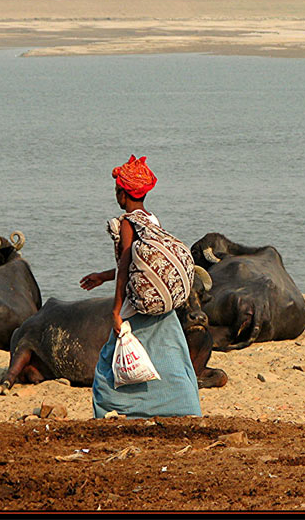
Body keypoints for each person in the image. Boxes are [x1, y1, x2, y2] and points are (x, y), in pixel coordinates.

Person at [80, 155, 201, 419]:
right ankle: (186, 409)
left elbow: (126, 265)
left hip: (135, 310)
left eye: (117, 191)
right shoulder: (152, 220)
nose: (116, 196)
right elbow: (144, 265)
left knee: (107, 366)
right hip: (162, 309)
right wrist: (102, 275)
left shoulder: (127, 223)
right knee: (172, 363)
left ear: (124, 194)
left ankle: (110, 412)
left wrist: (116, 310)